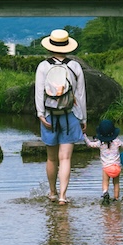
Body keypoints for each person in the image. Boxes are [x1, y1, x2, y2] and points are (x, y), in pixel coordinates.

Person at [35, 28, 87, 203]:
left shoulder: (43, 66)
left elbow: (39, 93)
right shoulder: (75, 66)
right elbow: (80, 96)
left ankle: (52, 192)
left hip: (49, 115)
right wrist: (83, 118)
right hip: (70, 115)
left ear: (50, 47)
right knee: (65, 158)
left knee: (51, 158)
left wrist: (41, 115)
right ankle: (63, 197)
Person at [84, 118, 123, 202]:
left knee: (105, 182)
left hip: (106, 168)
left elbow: (90, 144)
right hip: (117, 167)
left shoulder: (100, 143)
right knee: (116, 183)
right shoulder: (117, 141)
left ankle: (105, 192)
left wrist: (84, 136)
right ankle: (116, 199)